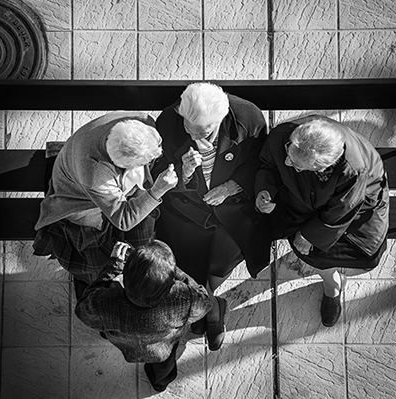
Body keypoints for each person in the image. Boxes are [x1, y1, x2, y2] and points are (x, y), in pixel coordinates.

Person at [152, 82, 272, 351]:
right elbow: (159, 168)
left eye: (204, 132)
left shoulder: (247, 118)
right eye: (189, 129)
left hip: (233, 208)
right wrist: (183, 173)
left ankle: (205, 303)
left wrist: (232, 186)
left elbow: (262, 162)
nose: (196, 138)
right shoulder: (169, 121)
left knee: (220, 261)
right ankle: (211, 307)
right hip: (186, 209)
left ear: (221, 117)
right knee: (185, 262)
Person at [255, 115, 389, 327]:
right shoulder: (285, 137)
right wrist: (264, 189)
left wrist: (310, 235)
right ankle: (331, 282)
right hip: (305, 196)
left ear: (322, 169)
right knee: (291, 241)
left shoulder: (351, 169)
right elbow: (269, 165)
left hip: (358, 203)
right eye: (289, 155)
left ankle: (332, 286)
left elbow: (344, 207)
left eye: (297, 166)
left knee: (348, 253)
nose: (288, 162)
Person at [33, 111, 179, 298]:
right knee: (100, 258)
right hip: (81, 204)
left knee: (143, 236)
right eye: (147, 161)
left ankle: (137, 274)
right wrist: (157, 191)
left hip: (104, 182)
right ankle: (95, 286)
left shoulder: (143, 121)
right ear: (123, 165)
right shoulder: (96, 174)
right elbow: (123, 219)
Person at [75, 240, 211, 392]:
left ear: (124, 276)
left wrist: (112, 267)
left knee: (105, 322)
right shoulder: (183, 298)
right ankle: (159, 384)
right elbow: (205, 301)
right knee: (164, 366)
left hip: (123, 342)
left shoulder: (104, 302)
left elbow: (82, 310)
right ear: (169, 284)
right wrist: (174, 271)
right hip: (163, 347)